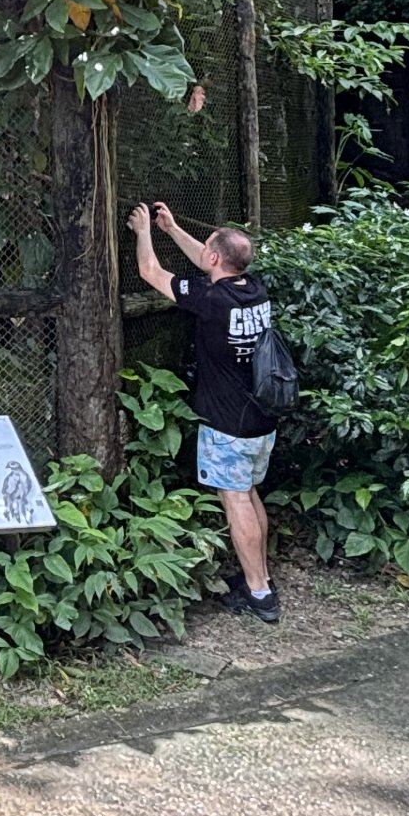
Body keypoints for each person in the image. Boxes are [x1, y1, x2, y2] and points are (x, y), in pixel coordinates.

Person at [126, 200, 281, 623]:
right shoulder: (254, 290)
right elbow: (208, 258)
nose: (204, 253)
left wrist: (144, 232)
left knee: (236, 501)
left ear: (216, 259)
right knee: (249, 494)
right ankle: (261, 575)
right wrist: (173, 228)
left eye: (208, 249)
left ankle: (259, 592)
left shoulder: (213, 300)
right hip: (261, 420)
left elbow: (151, 274)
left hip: (229, 423)